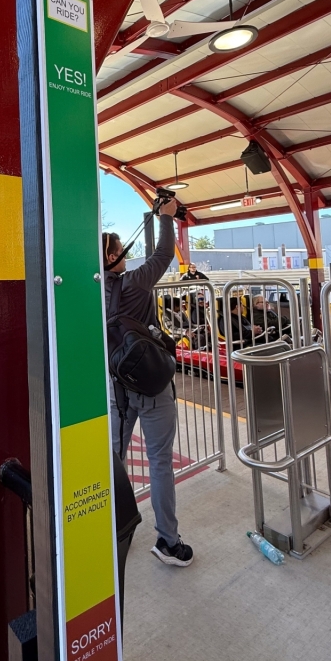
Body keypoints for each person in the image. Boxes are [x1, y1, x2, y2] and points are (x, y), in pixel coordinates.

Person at [103, 201, 193, 568]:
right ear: (111, 254)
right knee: (159, 463)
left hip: (116, 389)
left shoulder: (90, 290)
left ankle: (107, 526)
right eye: (120, 248)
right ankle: (168, 542)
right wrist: (167, 215)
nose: (125, 252)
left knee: (112, 459)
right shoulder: (134, 283)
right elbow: (163, 253)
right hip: (152, 390)